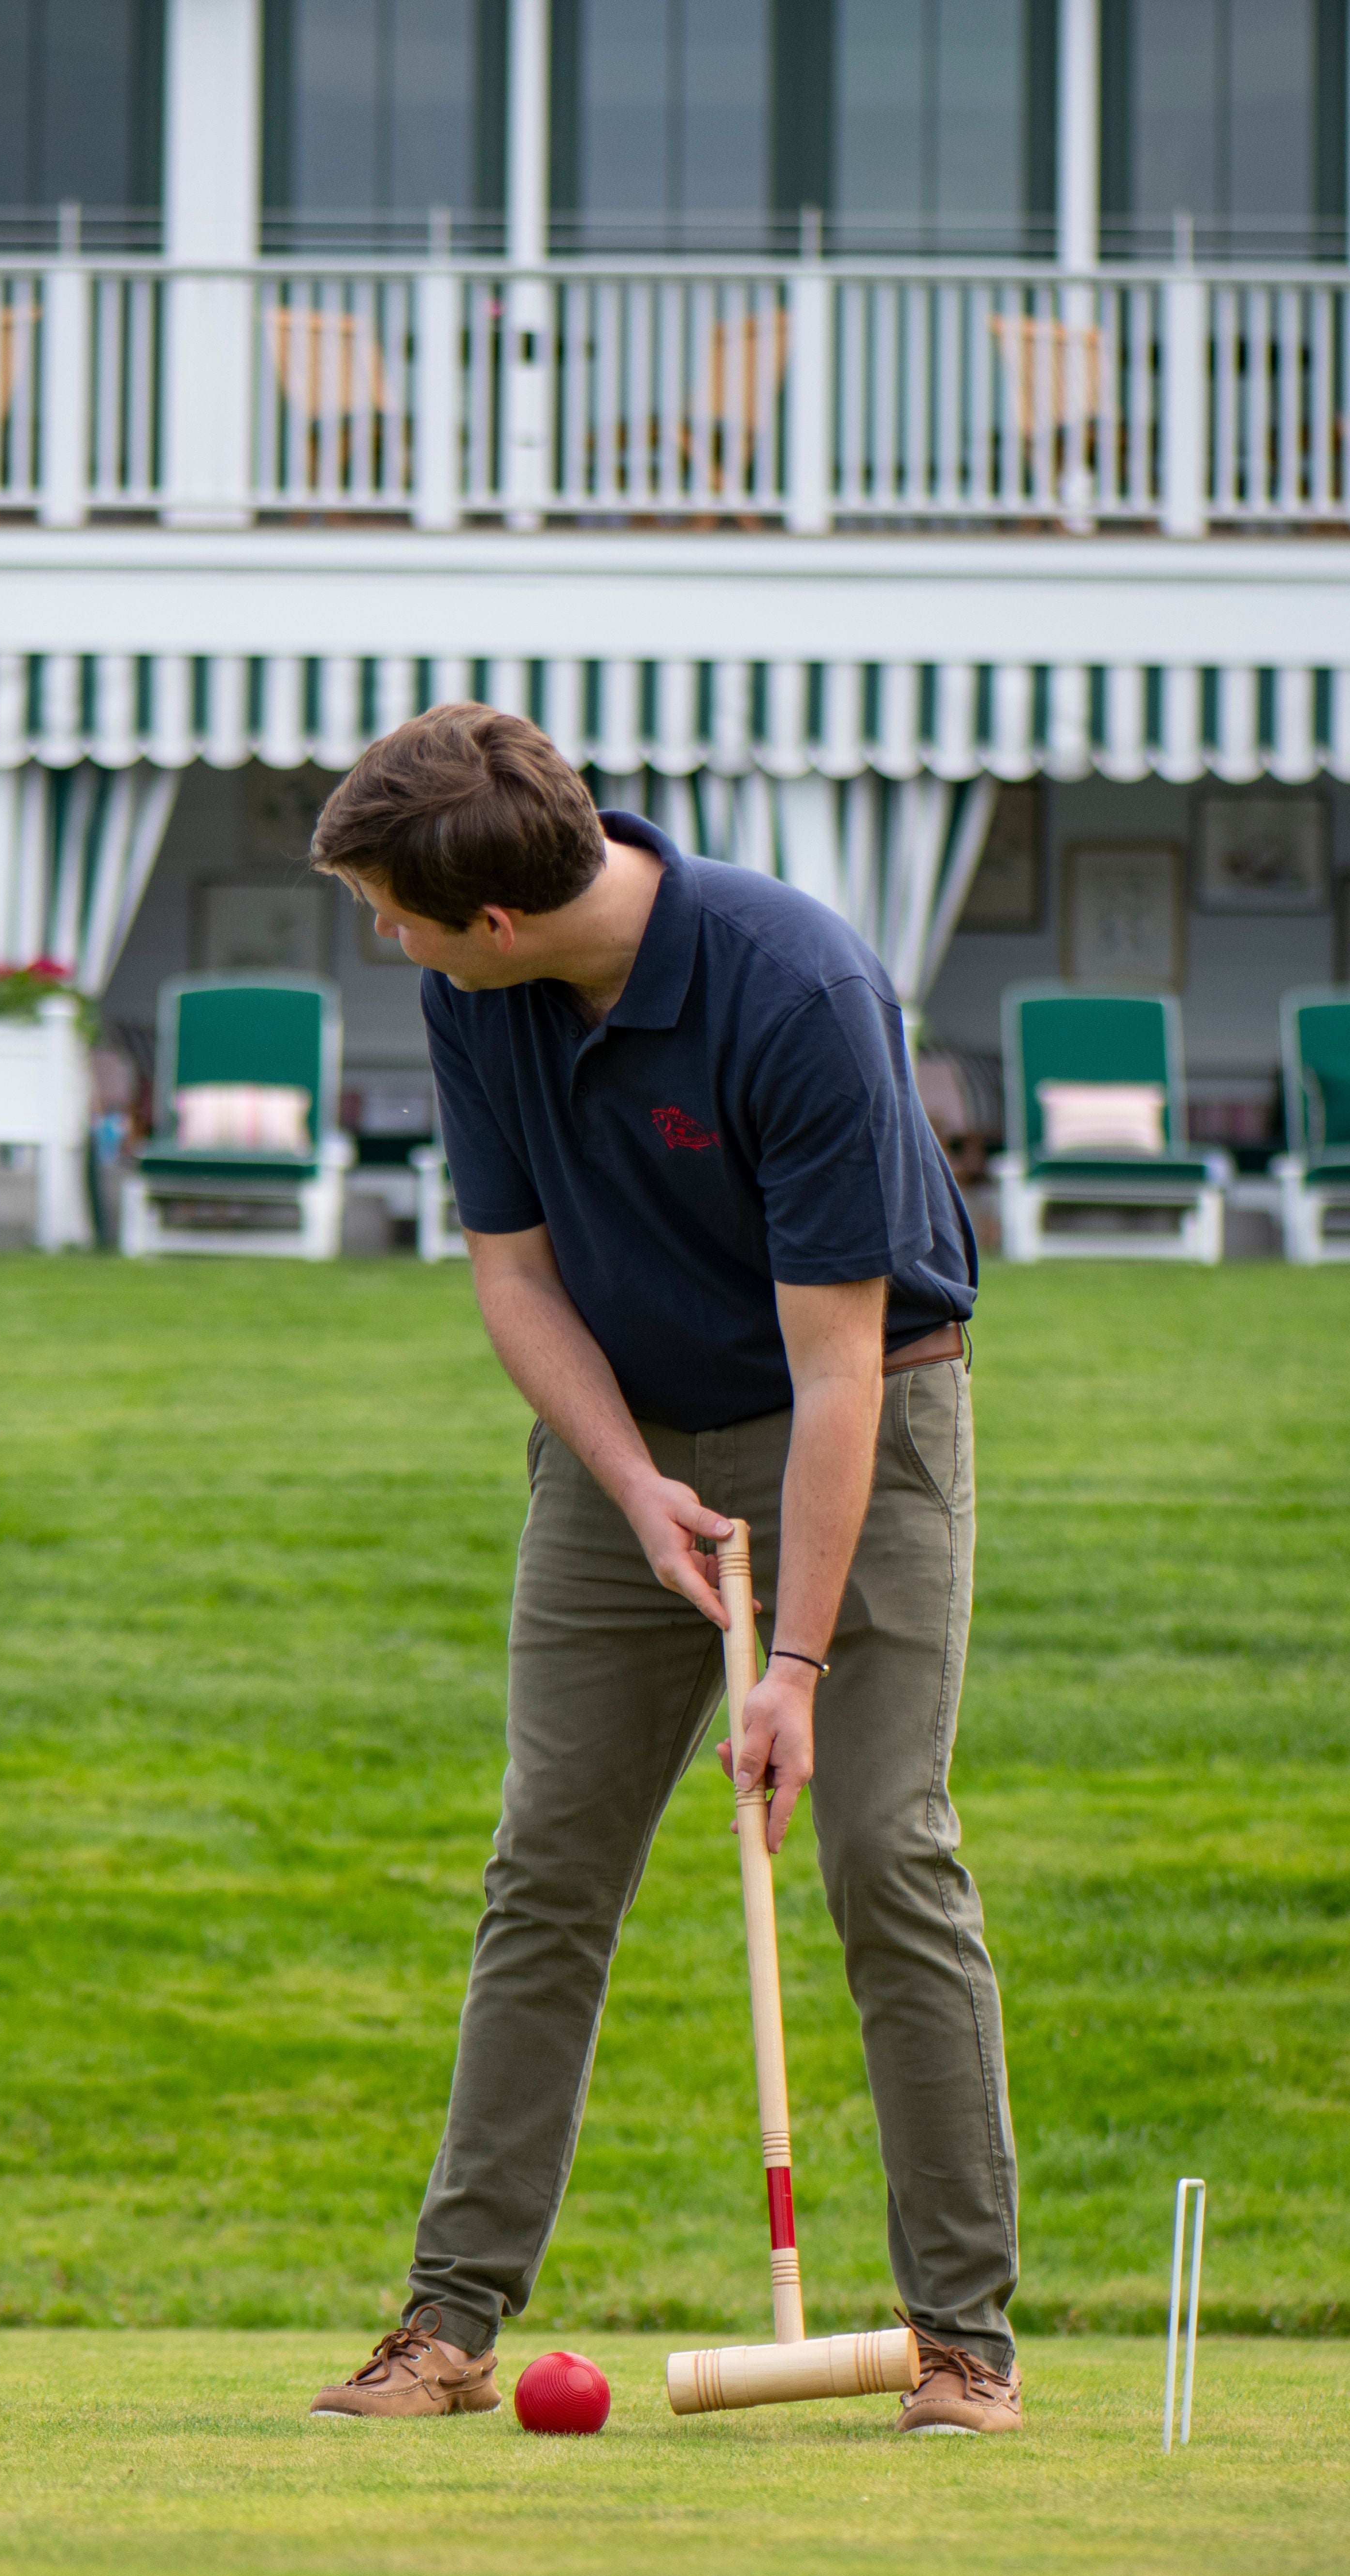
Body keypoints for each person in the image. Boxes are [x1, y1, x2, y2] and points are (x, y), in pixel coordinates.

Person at [300, 704, 1022, 2438]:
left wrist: (797, 1670)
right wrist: (626, 1484)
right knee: (546, 1863)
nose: (380, 940)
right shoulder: (470, 998)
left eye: (389, 913)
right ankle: (449, 2322)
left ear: (493, 918)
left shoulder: (799, 991)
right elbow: (515, 1275)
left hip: (856, 1424)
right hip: (619, 1436)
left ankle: (962, 2339)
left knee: (882, 1856)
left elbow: (844, 1370)